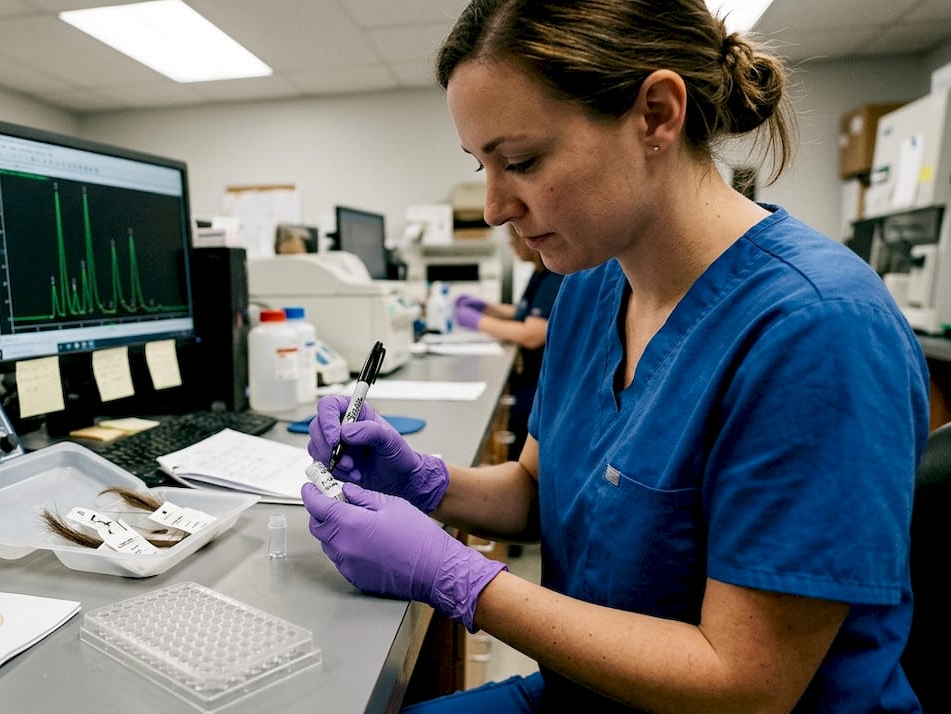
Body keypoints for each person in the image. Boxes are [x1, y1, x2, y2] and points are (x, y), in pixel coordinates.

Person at [300, 1, 929, 712]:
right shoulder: (595, 284)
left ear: (657, 115)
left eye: (522, 162)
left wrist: (460, 579)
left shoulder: (817, 332)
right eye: (482, 166)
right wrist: (424, 480)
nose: (496, 207)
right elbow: (543, 491)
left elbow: (746, 686)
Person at [453, 239, 563, 462]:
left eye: (514, 240)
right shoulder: (540, 274)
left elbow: (532, 333)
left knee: (522, 458)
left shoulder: (554, 277)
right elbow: (525, 313)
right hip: (532, 378)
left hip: (542, 384)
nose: (512, 247)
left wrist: (478, 321)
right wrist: (489, 307)